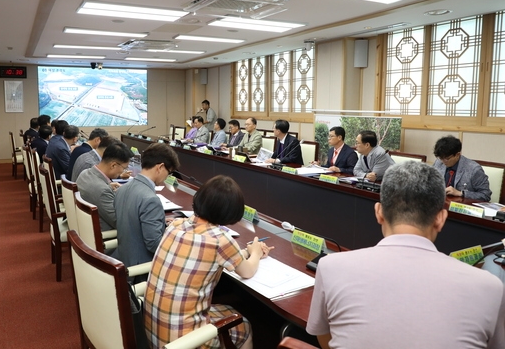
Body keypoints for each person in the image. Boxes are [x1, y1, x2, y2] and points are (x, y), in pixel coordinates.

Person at [306, 161, 505, 349]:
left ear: (378, 212)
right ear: (441, 218)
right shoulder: (490, 287)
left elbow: (325, 338)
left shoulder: (331, 267)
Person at [144, 175, 272, 349]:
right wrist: (255, 253)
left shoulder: (176, 224)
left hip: (153, 331)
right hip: (185, 342)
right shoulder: (220, 239)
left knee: (224, 307)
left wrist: (244, 252)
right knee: (244, 324)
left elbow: (210, 255)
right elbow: (248, 271)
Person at [113, 143, 180, 282]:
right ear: (160, 167)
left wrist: (160, 221)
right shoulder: (150, 199)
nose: (167, 177)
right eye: (169, 172)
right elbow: (154, 244)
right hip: (141, 272)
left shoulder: (122, 189)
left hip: (124, 259)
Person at [76, 141, 134, 234]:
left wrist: (108, 186)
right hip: (105, 237)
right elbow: (119, 222)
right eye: (124, 168)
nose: (124, 171)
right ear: (113, 165)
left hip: (85, 229)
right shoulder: (102, 190)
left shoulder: (85, 173)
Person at [432, 135, 491, 201]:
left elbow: (485, 195)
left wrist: (461, 193)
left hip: (463, 207)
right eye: (440, 158)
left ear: (457, 155)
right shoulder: (438, 163)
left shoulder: (474, 169)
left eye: (447, 159)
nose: (443, 161)